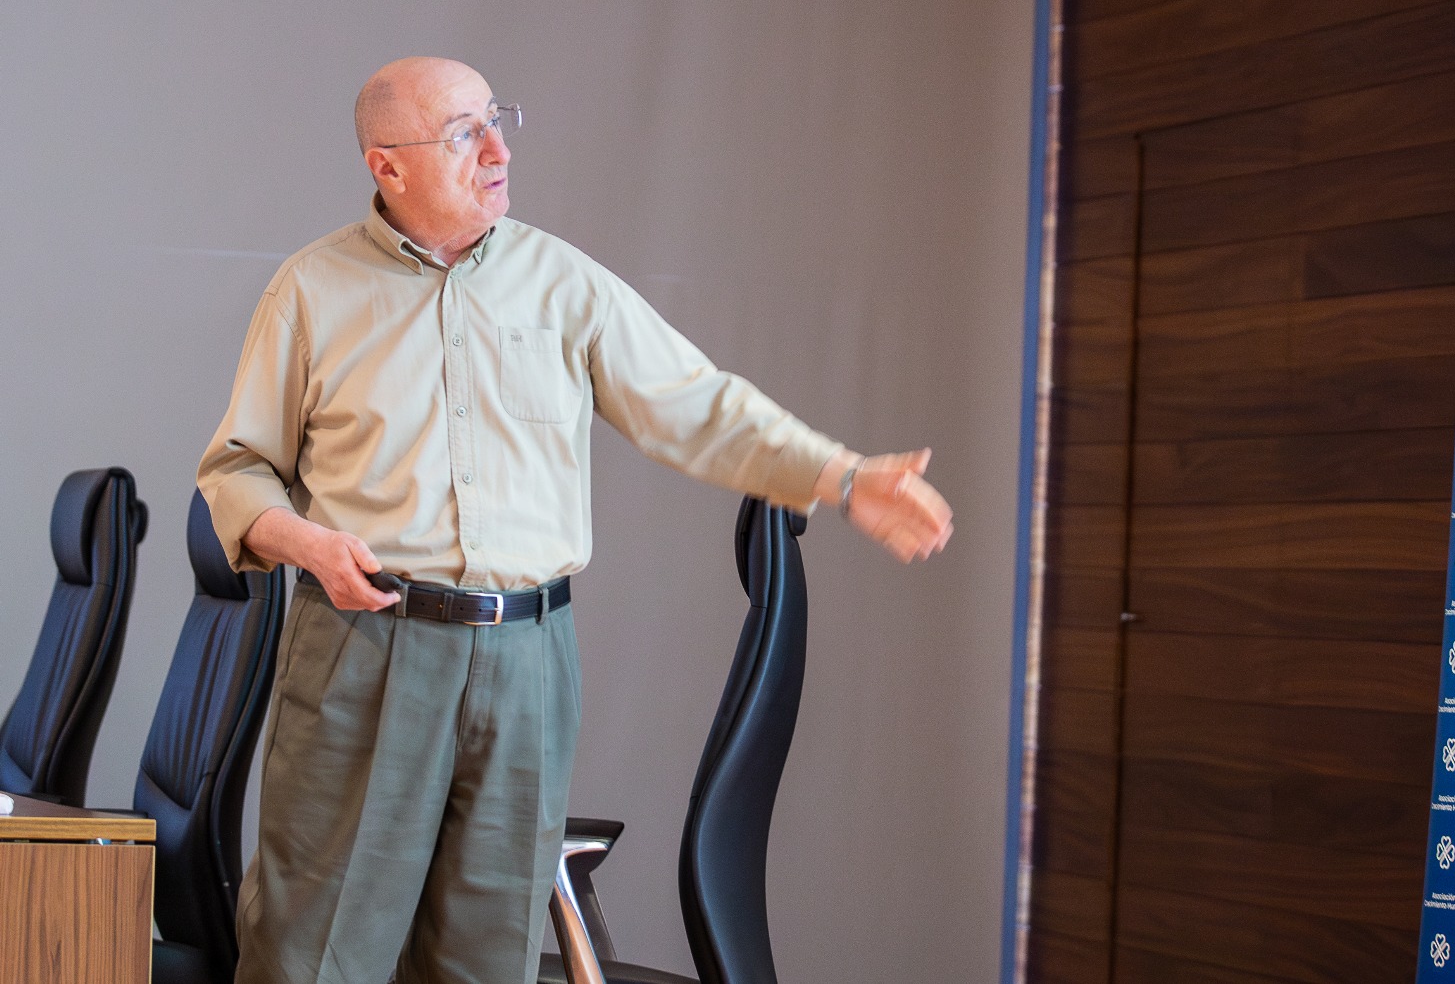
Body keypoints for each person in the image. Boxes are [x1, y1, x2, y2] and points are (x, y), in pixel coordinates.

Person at [198, 55, 953, 984]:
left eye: (497, 120)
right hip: (365, 648)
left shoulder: (562, 282)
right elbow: (237, 471)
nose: (498, 150)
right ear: (386, 166)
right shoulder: (310, 290)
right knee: (315, 955)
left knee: (490, 958)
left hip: (528, 664)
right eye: (464, 133)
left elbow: (697, 407)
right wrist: (307, 545)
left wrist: (841, 475)